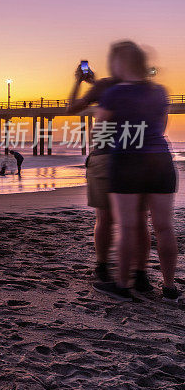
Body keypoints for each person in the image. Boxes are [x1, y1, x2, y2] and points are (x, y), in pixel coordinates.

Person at [92, 41, 179, 303]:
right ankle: (169, 287)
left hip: (128, 162)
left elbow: (101, 132)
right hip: (160, 161)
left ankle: (122, 285)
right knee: (164, 227)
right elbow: (159, 127)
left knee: (128, 225)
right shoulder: (160, 92)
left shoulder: (114, 94)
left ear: (120, 63)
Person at [66, 63, 152, 284]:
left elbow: (72, 108)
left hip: (106, 155)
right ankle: (141, 275)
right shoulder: (145, 88)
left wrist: (79, 81)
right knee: (140, 219)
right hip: (138, 157)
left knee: (104, 218)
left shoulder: (106, 86)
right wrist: (95, 83)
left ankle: (103, 268)